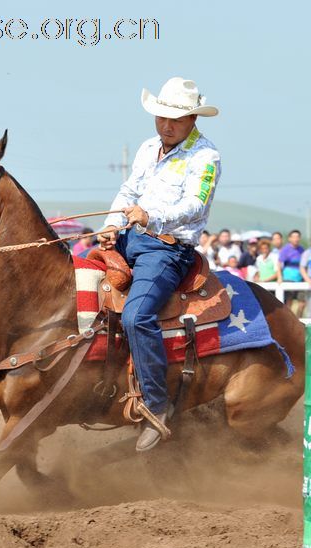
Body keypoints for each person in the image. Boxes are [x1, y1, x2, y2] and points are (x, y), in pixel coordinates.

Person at [98, 76, 220, 451]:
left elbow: (195, 206)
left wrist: (150, 216)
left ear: (193, 120)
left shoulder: (206, 157)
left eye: (175, 118)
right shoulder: (149, 147)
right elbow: (129, 190)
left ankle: (156, 404)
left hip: (167, 250)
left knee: (136, 316)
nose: (166, 125)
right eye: (161, 117)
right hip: (130, 236)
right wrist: (112, 223)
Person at [278, 229, 305, 316]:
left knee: (302, 303)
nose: (296, 239)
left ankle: (298, 320)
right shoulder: (285, 250)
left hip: (300, 279)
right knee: (289, 303)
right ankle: (288, 322)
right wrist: (279, 277)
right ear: (289, 238)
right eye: (294, 237)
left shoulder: (301, 250)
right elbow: (279, 263)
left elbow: (304, 265)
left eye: (298, 237)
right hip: (288, 279)